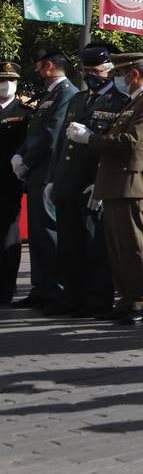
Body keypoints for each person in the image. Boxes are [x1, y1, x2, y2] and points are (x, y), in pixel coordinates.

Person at [69, 53, 143, 324]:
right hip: (116, 182)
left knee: (135, 246)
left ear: (133, 74)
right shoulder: (134, 103)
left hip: (134, 182)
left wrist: (90, 139)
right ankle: (127, 298)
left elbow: (130, 141)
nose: (118, 81)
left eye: (119, 75)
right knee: (118, 248)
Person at [46, 46, 127, 317]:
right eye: (86, 71)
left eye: (96, 71)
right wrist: (53, 178)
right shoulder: (78, 100)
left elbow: (115, 146)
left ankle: (99, 298)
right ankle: (73, 295)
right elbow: (62, 142)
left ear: (109, 71)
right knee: (69, 243)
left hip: (93, 183)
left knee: (95, 245)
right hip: (69, 180)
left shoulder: (120, 101)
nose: (91, 76)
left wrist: (102, 182)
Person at [11, 49, 77, 308]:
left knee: (49, 232)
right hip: (37, 172)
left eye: (38, 66)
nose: (36, 72)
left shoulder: (66, 94)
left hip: (48, 172)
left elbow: (51, 135)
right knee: (38, 235)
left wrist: (26, 162)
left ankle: (55, 289)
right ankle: (40, 288)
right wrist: (19, 155)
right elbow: (34, 132)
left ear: (49, 65)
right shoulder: (50, 95)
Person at [0, 61, 32, 306]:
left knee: (8, 236)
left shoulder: (24, 113)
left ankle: (5, 290)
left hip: (8, 182)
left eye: (11, 80)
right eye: (2, 80)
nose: (6, 85)